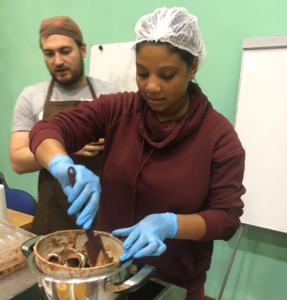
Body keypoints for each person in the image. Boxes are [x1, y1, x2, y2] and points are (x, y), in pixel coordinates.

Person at [28, 7, 245, 300]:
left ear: (192, 67)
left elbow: (227, 218)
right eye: (142, 73)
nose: (151, 87)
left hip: (172, 283)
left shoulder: (219, 137)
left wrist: (171, 224)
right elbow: (48, 130)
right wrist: (62, 164)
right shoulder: (117, 110)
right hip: (103, 271)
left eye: (167, 75)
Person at [9, 16, 120, 235]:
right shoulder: (31, 96)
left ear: (83, 49)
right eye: (49, 53)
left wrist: (113, 143)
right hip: (53, 218)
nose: (58, 61)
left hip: (104, 217)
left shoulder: (110, 94)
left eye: (65, 51)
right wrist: (62, 149)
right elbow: (18, 161)